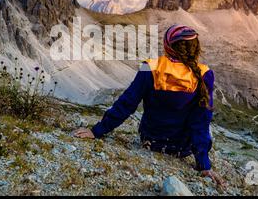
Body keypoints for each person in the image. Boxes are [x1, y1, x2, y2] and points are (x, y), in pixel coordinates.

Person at [74, 25, 224, 186]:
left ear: (168, 46)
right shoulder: (204, 74)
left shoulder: (150, 67)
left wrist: (96, 131)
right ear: (196, 48)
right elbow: (200, 122)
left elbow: (127, 103)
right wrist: (204, 165)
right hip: (182, 149)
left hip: (151, 142)